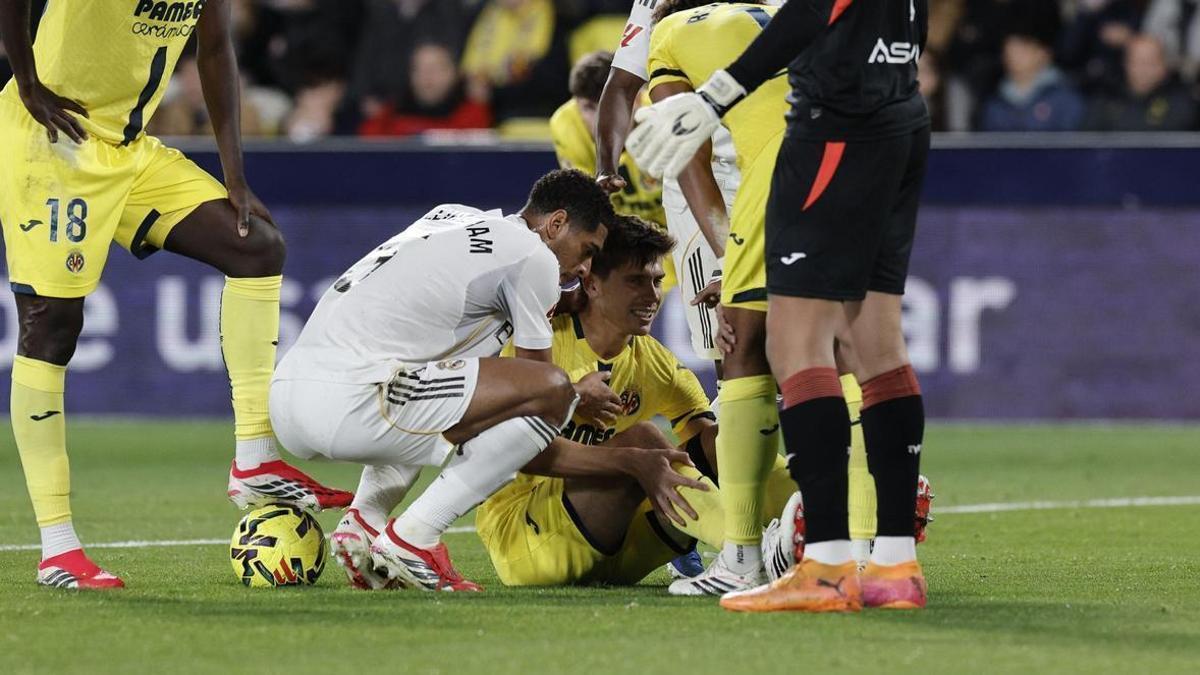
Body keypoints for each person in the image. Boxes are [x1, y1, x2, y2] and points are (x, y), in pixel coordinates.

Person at [0, 0, 350, 590]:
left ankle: (254, 454)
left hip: (129, 149)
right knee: (51, 326)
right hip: (54, 137)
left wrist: (235, 177)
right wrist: (25, 77)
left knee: (256, 246)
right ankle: (58, 547)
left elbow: (215, 49)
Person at [628, 0, 934, 612]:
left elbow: (813, 11)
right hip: (900, 116)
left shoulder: (679, 33)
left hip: (831, 127)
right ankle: (894, 565)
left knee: (795, 344)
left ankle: (826, 565)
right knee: (875, 344)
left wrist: (713, 97)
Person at [269, 169, 614, 592]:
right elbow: (540, 386)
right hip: (351, 401)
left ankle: (363, 524)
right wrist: (578, 397)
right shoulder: (534, 257)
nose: (583, 269)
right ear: (555, 224)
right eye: (586, 250)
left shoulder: (451, 216)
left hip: (288, 396)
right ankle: (415, 537)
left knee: (436, 381)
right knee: (553, 393)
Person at [473, 216, 801, 590]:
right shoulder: (540, 347)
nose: (652, 295)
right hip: (530, 542)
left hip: (622, 552)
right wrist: (630, 458)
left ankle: (830, 532)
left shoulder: (654, 362)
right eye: (636, 281)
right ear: (592, 284)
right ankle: (745, 552)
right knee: (643, 440)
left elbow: (713, 450)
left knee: (720, 442)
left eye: (657, 281)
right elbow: (506, 452)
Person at [595, 0, 736, 368]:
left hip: (770, 166)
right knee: (728, 345)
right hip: (702, 182)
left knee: (807, 331)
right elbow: (623, 84)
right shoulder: (660, 10)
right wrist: (605, 166)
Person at [1085, 33, 1198, 131]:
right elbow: (1085, 142)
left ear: (1164, 67)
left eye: (1150, 63)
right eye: (1137, 62)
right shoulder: (1107, 98)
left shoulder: (1182, 101)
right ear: (1126, 65)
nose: (1143, 70)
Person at [980, 32, 1086, 132]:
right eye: (1009, 52)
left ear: (1042, 54)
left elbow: (1071, 143)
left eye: (1022, 51)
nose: (1014, 58)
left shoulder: (1064, 97)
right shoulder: (995, 103)